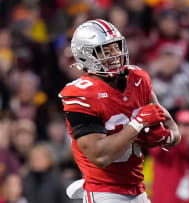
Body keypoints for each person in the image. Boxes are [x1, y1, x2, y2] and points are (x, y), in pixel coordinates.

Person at [58, 19, 181, 203]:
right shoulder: (80, 94)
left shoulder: (137, 78)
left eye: (116, 47)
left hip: (137, 188)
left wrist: (165, 137)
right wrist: (137, 124)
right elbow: (100, 156)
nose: (115, 54)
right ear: (86, 55)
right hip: (104, 191)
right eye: (106, 51)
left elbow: (172, 129)